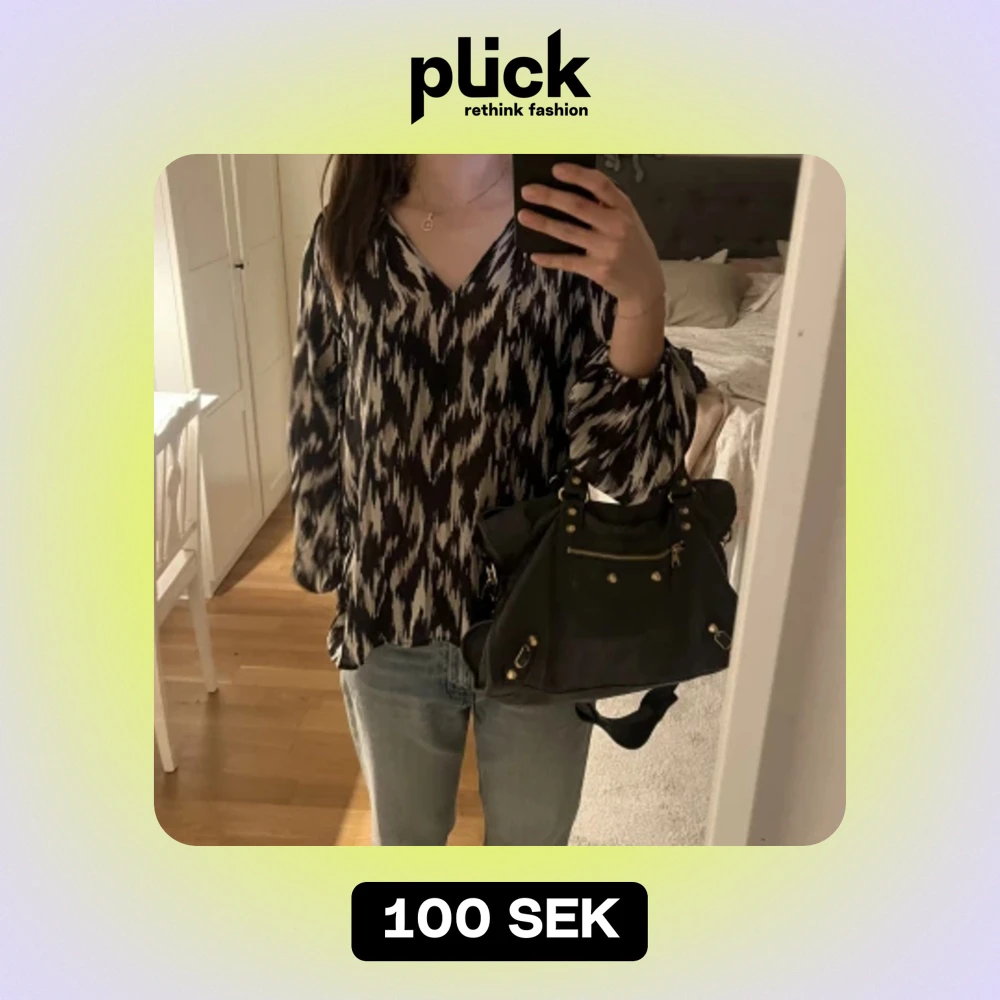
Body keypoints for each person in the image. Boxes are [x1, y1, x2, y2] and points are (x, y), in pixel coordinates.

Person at [288, 154, 702, 846]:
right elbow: (318, 412)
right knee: (406, 852)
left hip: (541, 619)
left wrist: (643, 299)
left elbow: (633, 472)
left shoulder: (575, 232)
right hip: (388, 619)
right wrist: (324, 558)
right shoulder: (347, 232)